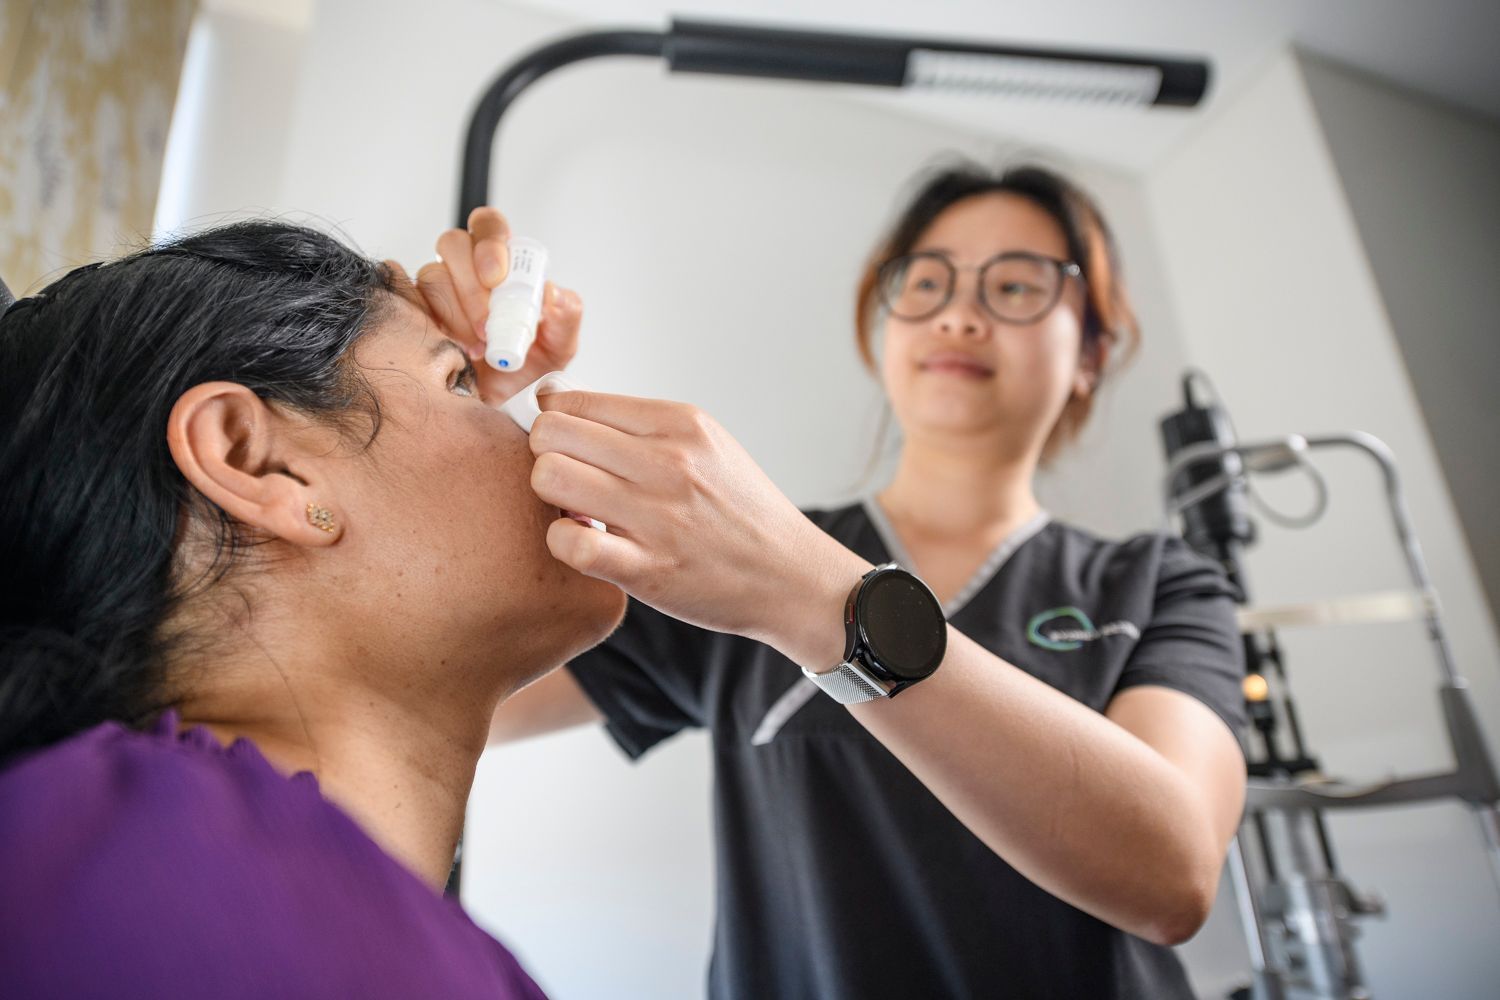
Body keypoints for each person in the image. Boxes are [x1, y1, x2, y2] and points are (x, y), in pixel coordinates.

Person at [463, 162, 1249, 998]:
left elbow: (1174, 876)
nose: (959, 313)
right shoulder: (726, 554)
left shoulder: (1156, 584)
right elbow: (436, 690)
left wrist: (809, 597)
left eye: (1016, 287)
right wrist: (469, 425)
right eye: (928, 281)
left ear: (1091, 352)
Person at [0, 217, 620, 998]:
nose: (543, 426)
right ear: (252, 460)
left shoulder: (102, 852)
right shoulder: (165, 896)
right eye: (463, 383)